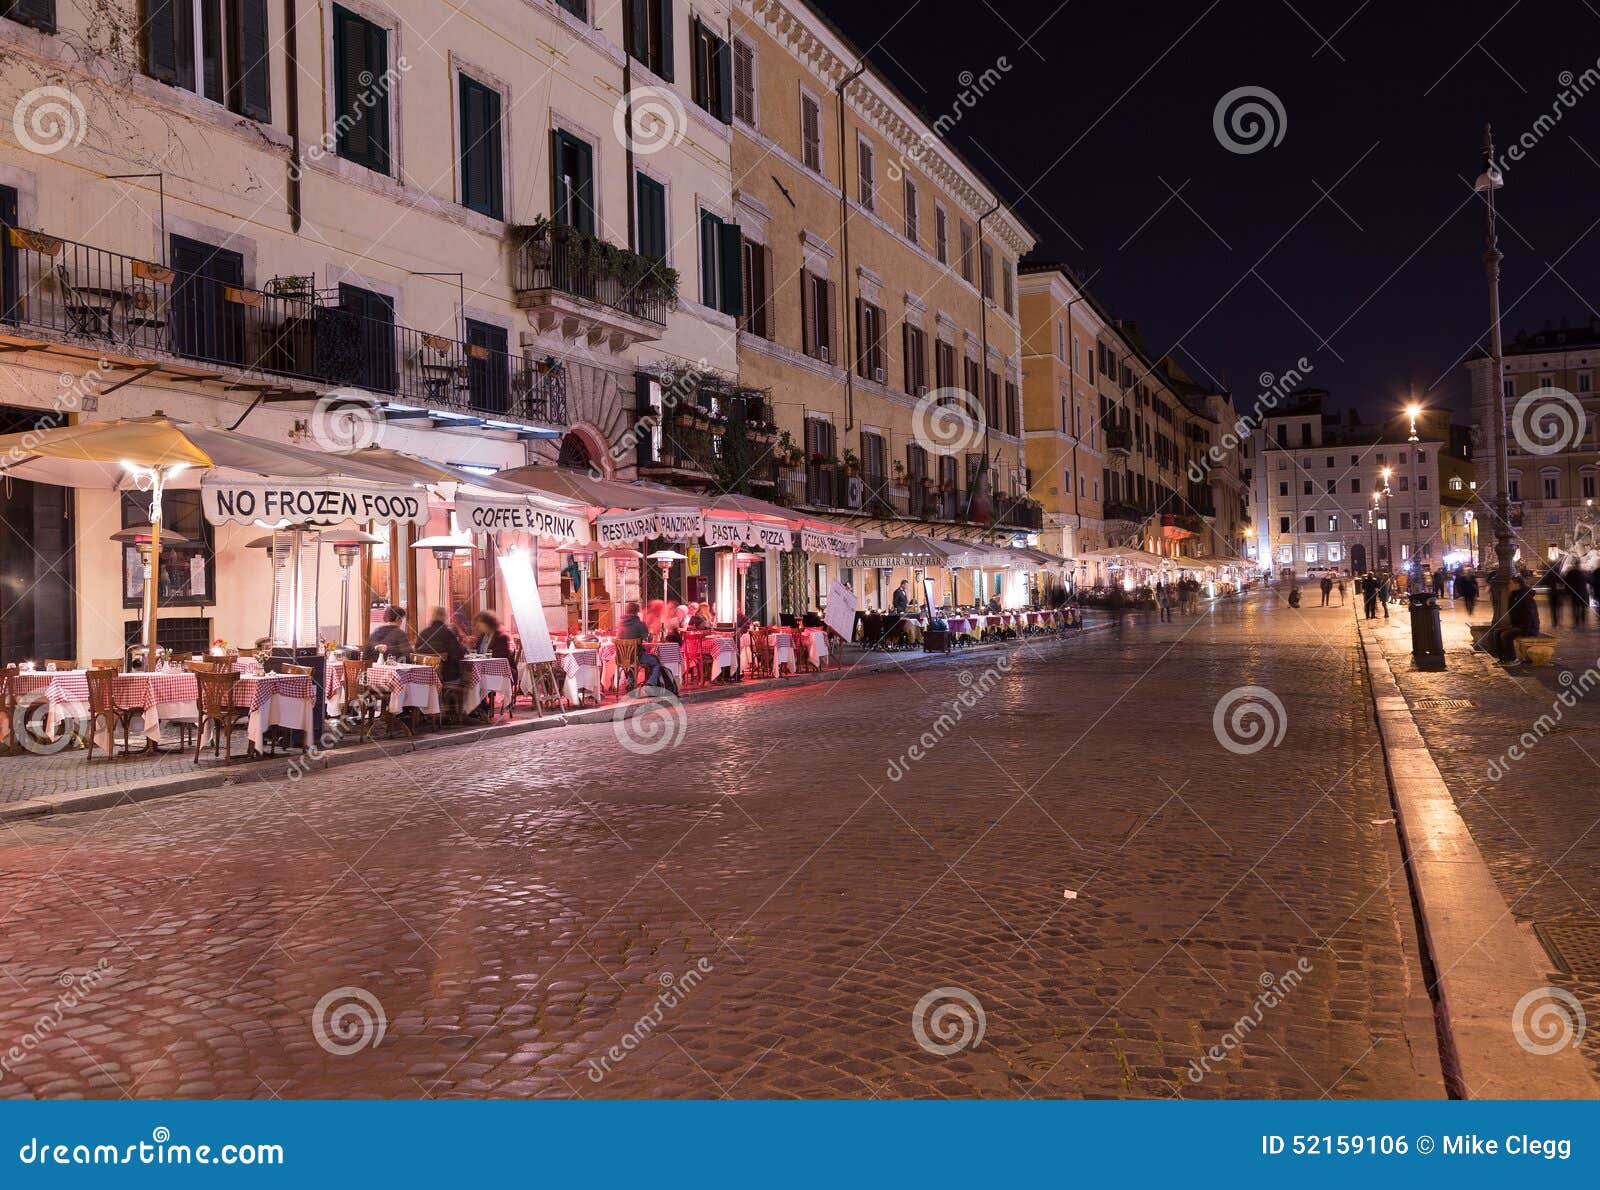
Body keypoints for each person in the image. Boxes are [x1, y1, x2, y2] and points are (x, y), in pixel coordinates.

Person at [616, 601, 666, 690]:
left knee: (633, 661)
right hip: (637, 656)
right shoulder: (639, 623)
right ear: (637, 612)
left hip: (621, 658)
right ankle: (650, 684)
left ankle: (630, 682)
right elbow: (648, 638)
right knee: (656, 662)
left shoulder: (620, 623)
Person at [1493, 575, 1543, 663]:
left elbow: (1529, 617)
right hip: (1518, 626)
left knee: (1505, 635)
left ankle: (1512, 659)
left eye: (1510, 583)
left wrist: (1526, 633)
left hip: (1528, 628)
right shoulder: (1515, 595)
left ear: (1517, 584)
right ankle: (1503, 658)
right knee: (1497, 632)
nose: (1508, 585)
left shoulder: (1525, 597)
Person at [417, 607, 467, 685]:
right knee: (467, 679)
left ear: (432, 617)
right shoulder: (447, 633)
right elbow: (458, 654)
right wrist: (464, 648)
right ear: (444, 617)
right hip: (447, 677)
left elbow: (417, 652)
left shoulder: (423, 633)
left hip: (424, 678)